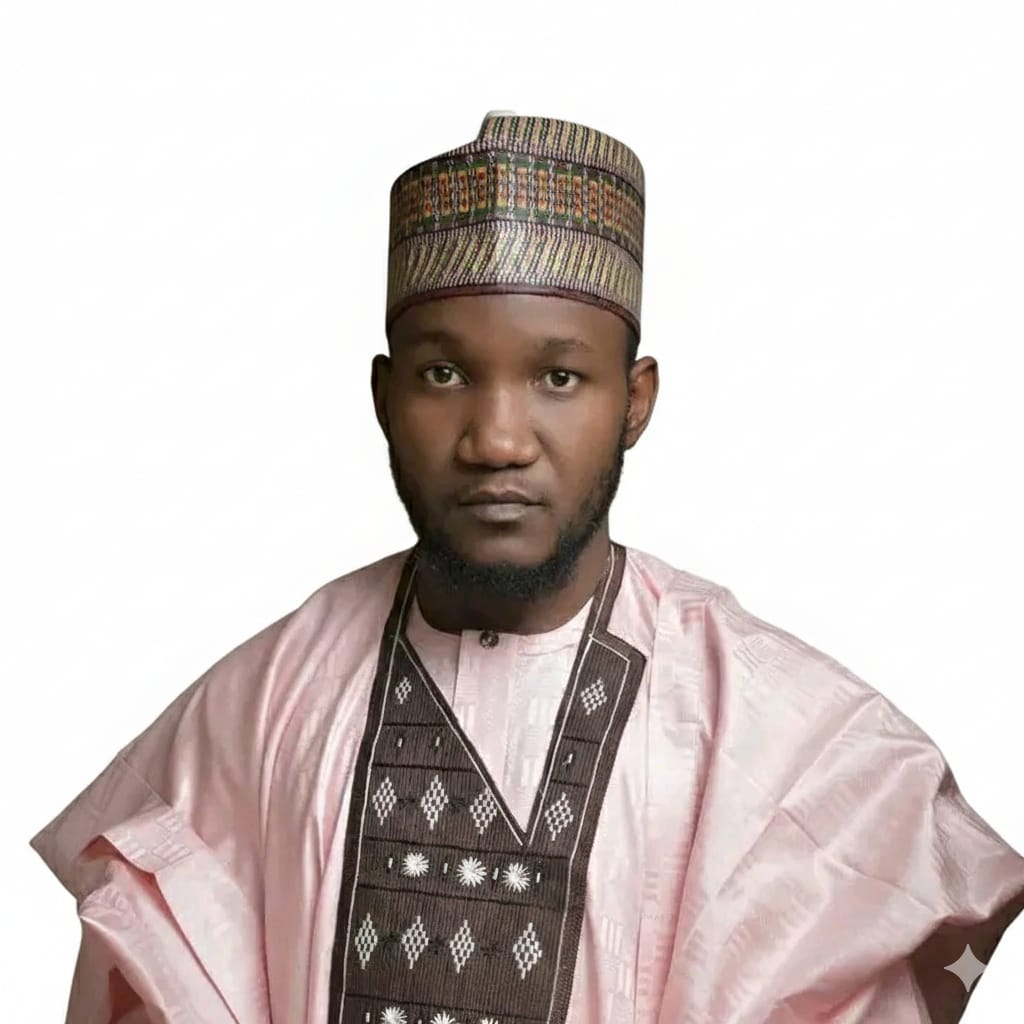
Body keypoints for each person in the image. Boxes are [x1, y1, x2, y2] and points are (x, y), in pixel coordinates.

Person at [31, 112, 1024, 1024]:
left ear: (634, 400)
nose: (497, 439)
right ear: (383, 398)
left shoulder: (785, 738)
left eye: (558, 376)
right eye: (444, 374)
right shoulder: (262, 706)